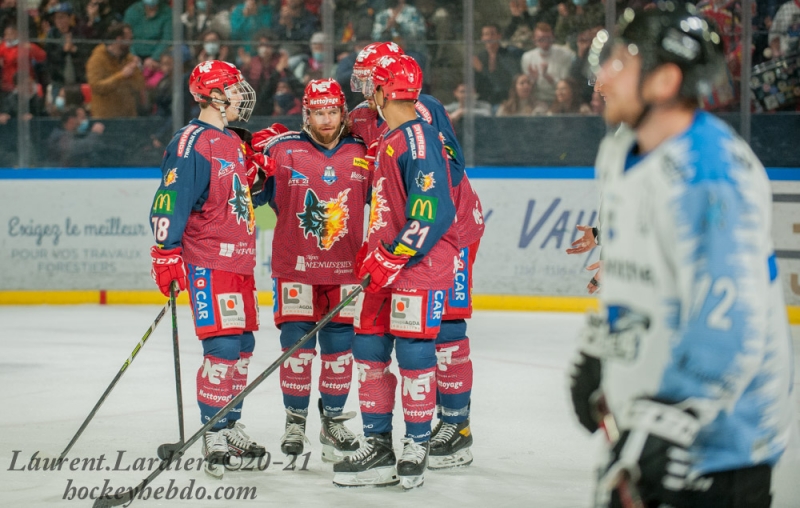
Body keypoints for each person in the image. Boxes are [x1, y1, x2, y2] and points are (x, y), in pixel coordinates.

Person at [569, 4, 794, 508]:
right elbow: (643, 283)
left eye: (622, 63)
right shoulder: (620, 151)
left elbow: (731, 322)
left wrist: (663, 422)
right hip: (643, 427)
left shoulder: (710, 172)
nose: (603, 75)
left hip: (716, 452)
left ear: (666, 79)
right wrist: (606, 351)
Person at [349, 41, 485, 472]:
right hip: (401, 236)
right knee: (390, 336)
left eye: (368, 80)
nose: (362, 88)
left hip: (450, 230)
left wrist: (409, 239)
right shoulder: (362, 117)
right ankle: (401, 434)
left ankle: (456, 426)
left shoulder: (422, 111)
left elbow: (448, 174)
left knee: (444, 330)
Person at [332, 54, 459, 490]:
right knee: (368, 349)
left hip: (416, 267)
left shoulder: (419, 139)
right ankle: (379, 445)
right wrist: (379, 255)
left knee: (414, 353)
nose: (370, 95)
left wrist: (395, 253)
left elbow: (434, 211)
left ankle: (416, 444)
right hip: (384, 266)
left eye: (375, 88)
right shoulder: (392, 135)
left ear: (385, 92)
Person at [148, 59, 266, 479]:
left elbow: (240, 197)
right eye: (234, 88)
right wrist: (165, 252)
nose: (241, 95)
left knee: (244, 347)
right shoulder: (191, 142)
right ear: (215, 95)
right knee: (222, 348)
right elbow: (170, 200)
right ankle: (212, 429)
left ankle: (230, 424)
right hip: (208, 262)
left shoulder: (231, 140)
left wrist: (263, 175)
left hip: (239, 263)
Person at [251, 78, 369, 464]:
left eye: (333, 111)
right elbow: (249, 193)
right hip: (294, 268)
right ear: (306, 112)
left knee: (339, 354)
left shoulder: (361, 152)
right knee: (297, 353)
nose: (326, 119)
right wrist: (251, 154)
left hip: (346, 270)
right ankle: (295, 422)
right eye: (318, 112)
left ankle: (332, 420)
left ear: (342, 111)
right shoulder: (283, 149)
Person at [85, 22, 145, 118]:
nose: (131, 43)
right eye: (128, 39)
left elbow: (139, 85)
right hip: (106, 116)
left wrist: (136, 71)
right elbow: (96, 87)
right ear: (119, 39)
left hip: (128, 115)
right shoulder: (97, 59)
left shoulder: (129, 58)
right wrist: (121, 75)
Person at [520, 22, 575, 104]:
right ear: (534, 40)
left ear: (553, 37)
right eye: (541, 39)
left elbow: (565, 86)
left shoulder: (565, 55)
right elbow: (526, 89)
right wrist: (534, 79)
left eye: (548, 38)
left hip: (560, 99)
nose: (545, 43)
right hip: (537, 99)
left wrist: (547, 76)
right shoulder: (527, 57)